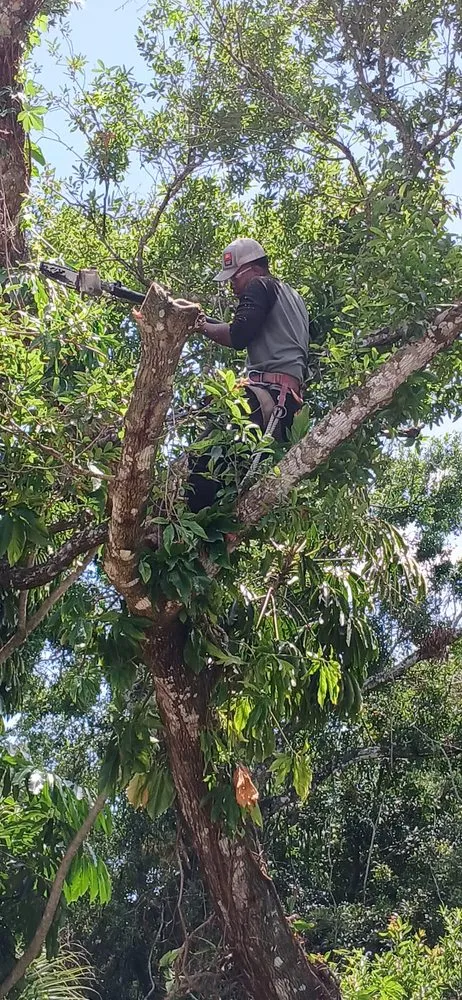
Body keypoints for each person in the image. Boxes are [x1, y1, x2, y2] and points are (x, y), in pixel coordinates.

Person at [188, 238, 310, 512]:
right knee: (230, 480)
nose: (232, 287)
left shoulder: (259, 286)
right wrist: (203, 321)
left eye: (234, 277)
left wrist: (198, 325)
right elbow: (240, 327)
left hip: (267, 400)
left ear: (253, 269)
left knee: (200, 462)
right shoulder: (292, 296)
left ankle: (188, 528)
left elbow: (238, 334)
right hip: (285, 405)